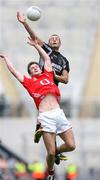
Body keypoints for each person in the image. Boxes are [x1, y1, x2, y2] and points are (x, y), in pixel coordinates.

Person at [0, 37, 75, 180]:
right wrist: (6, 58)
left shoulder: (47, 73)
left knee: (71, 146)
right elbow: (14, 72)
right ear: (30, 73)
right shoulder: (28, 82)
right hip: (46, 116)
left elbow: (47, 59)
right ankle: (51, 173)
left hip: (59, 114)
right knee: (50, 153)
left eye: (35, 66)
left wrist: (36, 46)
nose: (34, 67)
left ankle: (57, 151)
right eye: (31, 68)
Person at [17, 12, 70, 148]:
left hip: (53, 86)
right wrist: (24, 23)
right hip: (40, 82)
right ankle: (41, 126)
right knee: (44, 107)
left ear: (60, 42)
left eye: (56, 38)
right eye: (51, 38)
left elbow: (65, 79)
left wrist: (54, 76)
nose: (53, 40)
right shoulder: (46, 49)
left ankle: (53, 145)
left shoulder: (64, 61)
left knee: (55, 114)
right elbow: (34, 38)